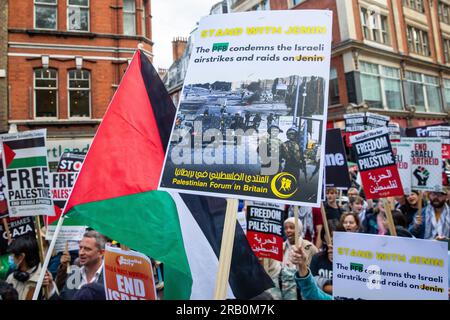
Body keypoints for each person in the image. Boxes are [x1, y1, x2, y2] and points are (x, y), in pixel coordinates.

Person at [263, 218, 318, 300]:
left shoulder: (309, 247)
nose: (288, 230)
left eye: (292, 227)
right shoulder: (279, 247)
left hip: (302, 292)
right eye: (285, 228)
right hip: (282, 291)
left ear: (299, 229)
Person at [44, 230, 107, 300]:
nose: (81, 253)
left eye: (87, 249)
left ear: (101, 253)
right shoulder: (74, 274)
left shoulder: (110, 277)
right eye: (80, 248)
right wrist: (51, 287)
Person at [6, 235, 43, 300]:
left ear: (21, 257)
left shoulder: (44, 280)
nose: (11, 257)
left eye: (13, 255)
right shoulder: (11, 277)